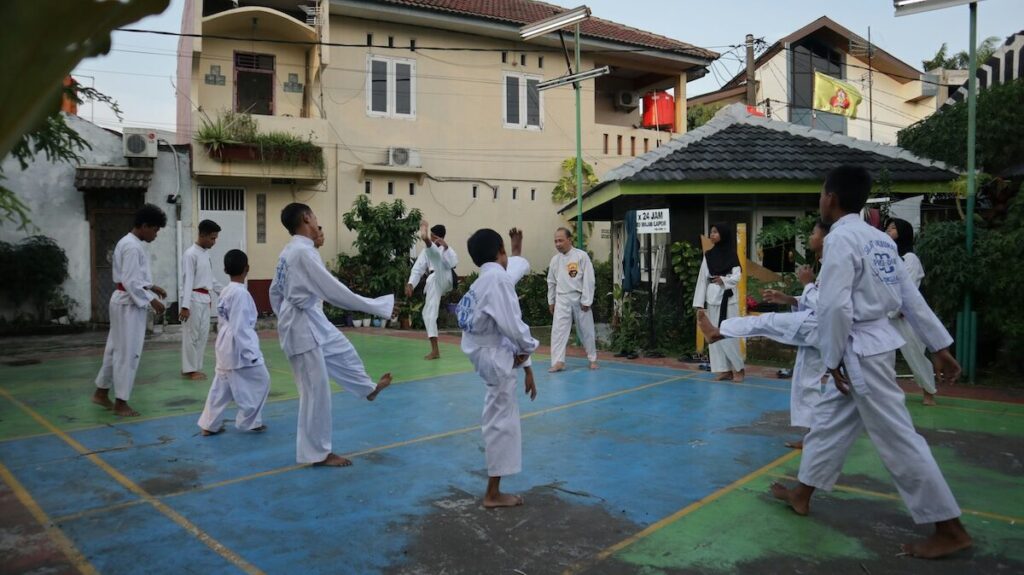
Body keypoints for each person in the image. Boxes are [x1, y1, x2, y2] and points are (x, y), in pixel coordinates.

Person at [770, 165, 971, 559]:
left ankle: (950, 528)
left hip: (858, 350)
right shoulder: (880, 241)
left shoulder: (842, 241)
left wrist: (831, 358)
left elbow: (834, 307)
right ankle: (802, 493)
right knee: (828, 423)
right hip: (874, 345)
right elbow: (909, 297)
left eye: (821, 195)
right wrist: (939, 344)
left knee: (899, 439)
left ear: (830, 198)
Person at [270, 203, 394, 467]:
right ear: (306, 218)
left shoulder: (291, 251)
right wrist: (375, 306)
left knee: (341, 350)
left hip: (305, 319)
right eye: (315, 216)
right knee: (315, 391)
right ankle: (317, 453)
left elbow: (274, 291)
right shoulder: (303, 252)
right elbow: (334, 290)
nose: (317, 221)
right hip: (300, 326)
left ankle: (367, 388)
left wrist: (284, 315)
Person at [698, 220, 832, 449]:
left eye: (813, 233)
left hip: (826, 326)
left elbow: (826, 304)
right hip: (819, 326)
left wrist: (808, 285)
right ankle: (813, 435)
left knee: (764, 321)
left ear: (826, 239)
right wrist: (789, 299)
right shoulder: (826, 264)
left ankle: (719, 333)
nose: (810, 237)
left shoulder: (835, 266)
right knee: (804, 381)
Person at [458, 228, 539, 508]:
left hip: (483, 353)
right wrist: (527, 349)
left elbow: (510, 272)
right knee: (502, 421)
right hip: (494, 356)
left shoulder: (484, 280)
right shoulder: (496, 280)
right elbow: (514, 327)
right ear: (499, 251)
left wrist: (525, 364)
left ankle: (494, 489)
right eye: (506, 251)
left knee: (498, 415)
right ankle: (493, 493)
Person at [92, 204, 168, 417]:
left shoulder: (128, 242)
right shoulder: (132, 247)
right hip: (129, 304)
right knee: (128, 353)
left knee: (114, 348)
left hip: (122, 300)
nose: (155, 234)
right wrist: (151, 300)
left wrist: (152, 287)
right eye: (155, 230)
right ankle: (121, 402)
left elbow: (133, 277)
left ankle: (101, 392)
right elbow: (131, 281)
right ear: (144, 226)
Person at [197, 249, 270, 435]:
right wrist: (251, 353)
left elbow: (225, 322)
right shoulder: (241, 294)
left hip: (224, 343)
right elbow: (241, 328)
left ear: (225, 269)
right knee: (262, 380)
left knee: (221, 387)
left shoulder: (226, 291)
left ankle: (209, 424)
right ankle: (249, 421)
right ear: (247, 268)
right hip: (237, 346)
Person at [886, 218, 937, 406]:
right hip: (886, 313)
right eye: (887, 227)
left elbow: (907, 287)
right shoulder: (887, 258)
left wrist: (897, 309)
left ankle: (929, 392)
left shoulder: (910, 259)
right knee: (882, 355)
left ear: (903, 233)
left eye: (893, 228)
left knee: (915, 353)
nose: (888, 231)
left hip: (905, 315)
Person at [692, 223, 745, 382]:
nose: (712, 234)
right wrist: (699, 304)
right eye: (711, 232)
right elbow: (703, 279)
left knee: (729, 334)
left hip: (728, 300)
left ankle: (738, 368)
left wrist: (723, 280)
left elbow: (737, 277)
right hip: (713, 299)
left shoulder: (732, 255)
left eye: (715, 232)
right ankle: (723, 369)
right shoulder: (708, 255)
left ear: (723, 234)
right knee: (714, 336)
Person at [546, 227, 597, 372]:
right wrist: (551, 301)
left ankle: (592, 358)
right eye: (555, 241)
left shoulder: (581, 256)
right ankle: (558, 362)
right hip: (561, 298)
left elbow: (589, 279)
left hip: (579, 297)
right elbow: (551, 282)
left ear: (569, 240)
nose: (558, 244)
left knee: (586, 330)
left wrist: (587, 300)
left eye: (561, 240)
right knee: (558, 332)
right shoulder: (555, 260)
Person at [406, 221, 458, 360]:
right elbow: (418, 268)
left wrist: (446, 248)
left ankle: (426, 241)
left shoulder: (448, 249)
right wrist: (411, 283)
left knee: (437, 261)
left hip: (444, 276)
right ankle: (435, 350)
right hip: (434, 281)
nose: (434, 239)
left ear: (439, 237)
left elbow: (453, 264)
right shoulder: (425, 252)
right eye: (431, 237)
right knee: (428, 313)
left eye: (433, 237)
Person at [180, 219, 222, 381]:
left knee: (203, 335)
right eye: (212, 238)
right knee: (192, 335)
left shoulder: (205, 254)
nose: (214, 242)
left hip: (205, 298)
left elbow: (211, 279)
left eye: (215, 238)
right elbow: (187, 280)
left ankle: (194, 367)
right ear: (202, 235)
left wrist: (226, 292)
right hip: (192, 299)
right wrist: (185, 306)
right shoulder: (190, 254)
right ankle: (190, 369)